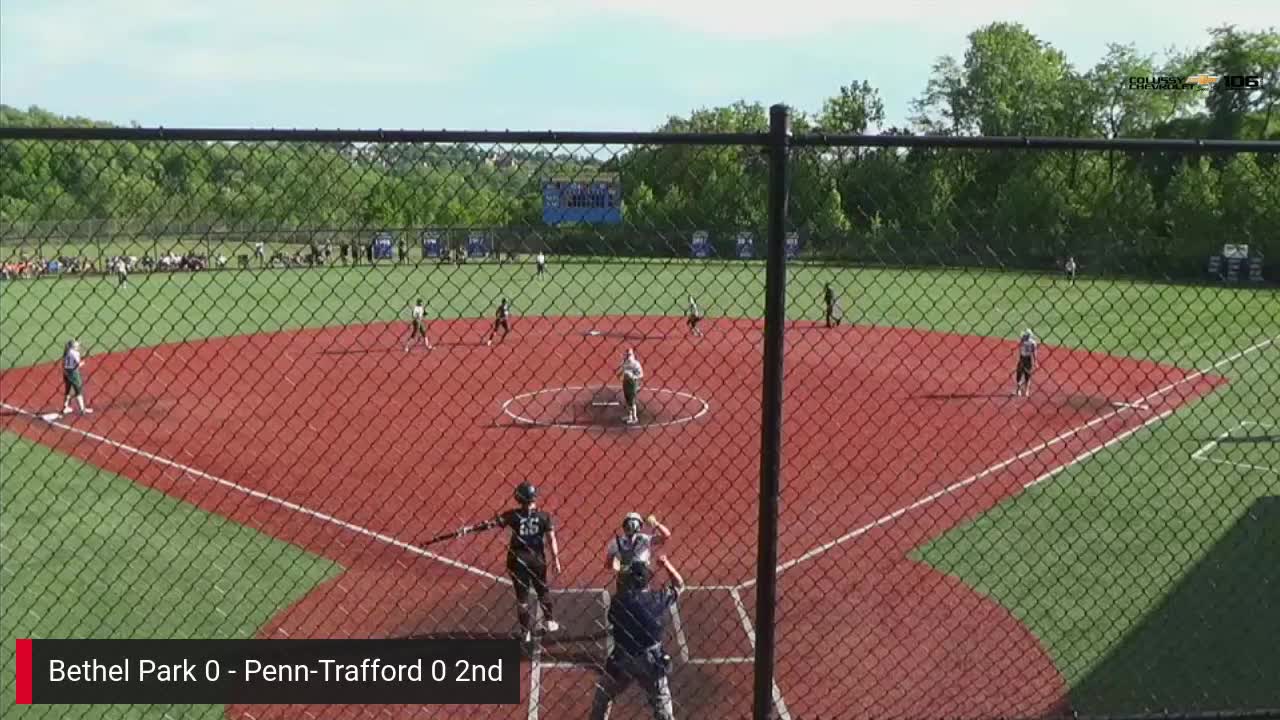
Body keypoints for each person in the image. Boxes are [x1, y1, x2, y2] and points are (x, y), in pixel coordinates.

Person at [589, 556, 685, 720]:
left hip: (623, 659)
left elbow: (614, 619)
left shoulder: (619, 602)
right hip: (651, 660)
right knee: (661, 701)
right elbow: (680, 585)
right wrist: (666, 564)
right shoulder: (657, 598)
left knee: (603, 695)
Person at [471, 482, 562, 642]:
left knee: (522, 597)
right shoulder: (544, 516)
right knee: (542, 590)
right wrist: (556, 560)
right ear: (534, 497)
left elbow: (490, 524)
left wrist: (471, 528)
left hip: (517, 559)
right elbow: (551, 538)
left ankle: (525, 632)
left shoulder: (513, 515)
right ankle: (549, 621)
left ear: (518, 498)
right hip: (536, 560)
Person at [606, 513, 672, 587]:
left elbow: (608, 565)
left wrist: (618, 563)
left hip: (624, 577)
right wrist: (656, 523)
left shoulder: (615, 542)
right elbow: (666, 535)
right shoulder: (644, 539)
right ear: (639, 527)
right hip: (642, 575)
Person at [61, 340, 94, 416]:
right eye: (77, 346)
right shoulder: (75, 353)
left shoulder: (67, 352)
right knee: (78, 390)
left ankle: (65, 407)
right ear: (74, 346)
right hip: (73, 373)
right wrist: (83, 362)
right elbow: (78, 364)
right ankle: (82, 409)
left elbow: (65, 363)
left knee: (68, 390)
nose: (78, 347)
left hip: (66, 372)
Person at [619, 349, 644, 425]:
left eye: (629, 355)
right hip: (626, 383)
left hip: (633, 384)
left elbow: (641, 375)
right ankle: (629, 416)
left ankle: (635, 417)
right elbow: (622, 371)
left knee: (632, 401)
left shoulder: (636, 364)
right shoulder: (624, 362)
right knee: (627, 400)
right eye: (627, 355)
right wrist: (620, 375)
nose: (628, 356)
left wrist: (632, 376)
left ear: (633, 355)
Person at [1015, 329, 1038, 397]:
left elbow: (1019, 345)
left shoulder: (1023, 341)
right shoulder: (1033, 342)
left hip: (1024, 358)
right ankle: (1023, 390)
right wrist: (1035, 361)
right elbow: (1034, 352)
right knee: (1026, 375)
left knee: (1021, 374)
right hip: (1028, 359)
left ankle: (1021, 390)